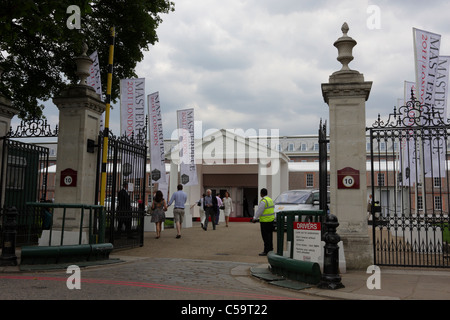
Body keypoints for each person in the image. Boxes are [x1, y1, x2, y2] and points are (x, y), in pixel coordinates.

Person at [252, 188, 275, 256]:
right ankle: (270, 249)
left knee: (265, 237)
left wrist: (254, 218)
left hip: (265, 221)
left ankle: (266, 251)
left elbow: (259, 211)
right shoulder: (270, 200)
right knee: (270, 236)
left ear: (261, 193)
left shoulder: (263, 201)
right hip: (271, 220)